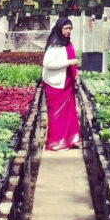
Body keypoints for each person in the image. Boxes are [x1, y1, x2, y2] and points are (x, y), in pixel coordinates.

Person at [41, 17, 81, 151]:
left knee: (68, 113)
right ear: (59, 29)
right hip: (55, 85)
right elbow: (47, 64)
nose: (68, 31)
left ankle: (70, 140)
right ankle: (56, 143)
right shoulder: (54, 44)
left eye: (70, 28)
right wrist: (68, 63)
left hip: (66, 83)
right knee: (56, 115)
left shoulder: (67, 43)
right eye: (66, 28)